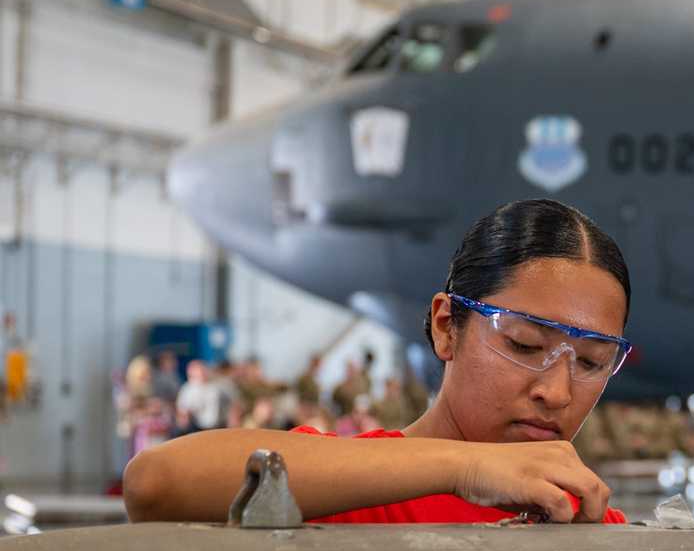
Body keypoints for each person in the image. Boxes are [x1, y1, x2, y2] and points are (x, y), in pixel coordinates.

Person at [124, 199, 632, 525]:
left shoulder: (590, 521)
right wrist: (467, 467)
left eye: (591, 362)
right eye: (523, 345)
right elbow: (156, 483)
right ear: (445, 326)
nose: (559, 392)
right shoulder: (354, 493)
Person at [175, 359, 229, 434]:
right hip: (198, 428)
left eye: (203, 370)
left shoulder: (216, 386)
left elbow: (230, 403)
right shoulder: (188, 390)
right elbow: (183, 411)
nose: (202, 373)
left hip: (219, 426)